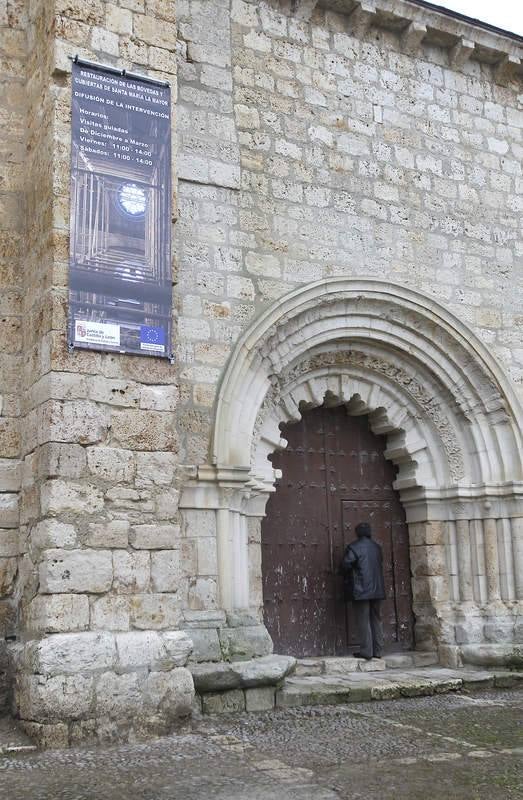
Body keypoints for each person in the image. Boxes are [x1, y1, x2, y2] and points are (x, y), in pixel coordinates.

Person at [341, 521, 385, 660]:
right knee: (376, 619)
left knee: (363, 620)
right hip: (377, 589)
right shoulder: (377, 547)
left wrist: (343, 573)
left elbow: (346, 564)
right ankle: (378, 651)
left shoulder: (354, 547)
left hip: (361, 590)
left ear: (357, 533)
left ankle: (366, 651)